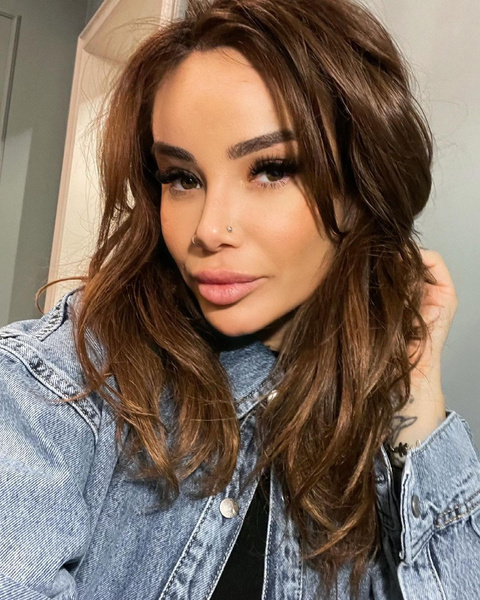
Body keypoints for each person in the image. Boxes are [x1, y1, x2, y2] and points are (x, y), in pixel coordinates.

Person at [0, 0, 478, 598]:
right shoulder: (61, 383)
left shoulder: (376, 426)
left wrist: (415, 393)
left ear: (361, 188)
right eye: (182, 178)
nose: (207, 229)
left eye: (271, 169)